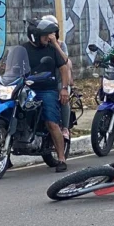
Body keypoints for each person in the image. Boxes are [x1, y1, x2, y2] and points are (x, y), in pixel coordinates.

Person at [24, 17, 70, 172]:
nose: (48, 38)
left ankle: (61, 159)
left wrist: (63, 88)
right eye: (45, 35)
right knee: (10, 110)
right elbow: (11, 66)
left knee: (52, 122)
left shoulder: (52, 49)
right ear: (34, 36)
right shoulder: (23, 49)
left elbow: (64, 68)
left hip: (46, 90)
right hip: (27, 88)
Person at [41, 15, 73, 139]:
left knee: (63, 97)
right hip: (44, 81)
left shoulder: (61, 44)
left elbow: (65, 60)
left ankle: (65, 128)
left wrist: (55, 44)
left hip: (60, 81)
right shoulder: (41, 45)